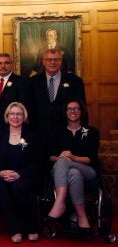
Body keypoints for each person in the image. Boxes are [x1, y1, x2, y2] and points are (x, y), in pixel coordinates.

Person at [0, 102, 43, 243]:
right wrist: (0, 172)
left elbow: (37, 162)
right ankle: (15, 229)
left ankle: (30, 227)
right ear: (7, 116)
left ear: (24, 117)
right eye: (12, 114)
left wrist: (19, 174)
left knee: (19, 187)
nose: (15, 117)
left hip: (26, 176)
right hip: (3, 175)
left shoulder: (33, 136)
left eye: (19, 114)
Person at [46, 99, 99, 233]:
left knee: (65, 161)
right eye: (69, 109)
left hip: (88, 170)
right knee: (73, 173)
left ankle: (59, 203)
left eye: (76, 108)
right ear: (65, 112)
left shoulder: (91, 132)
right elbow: (50, 156)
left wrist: (72, 158)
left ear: (81, 112)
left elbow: (91, 159)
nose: (73, 111)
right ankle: (82, 216)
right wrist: (61, 157)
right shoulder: (56, 132)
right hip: (62, 171)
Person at [27, 48, 86, 134]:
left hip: (66, 132)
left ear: (61, 61)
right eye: (49, 59)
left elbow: (82, 108)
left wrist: (82, 132)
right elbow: (29, 109)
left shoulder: (75, 81)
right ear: (43, 62)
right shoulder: (32, 82)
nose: (52, 62)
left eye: (56, 59)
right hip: (39, 133)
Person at [0, 53, 25, 135]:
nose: (3, 66)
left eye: (6, 63)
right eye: (0, 63)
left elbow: (23, 106)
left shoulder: (21, 82)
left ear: (12, 65)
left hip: (12, 127)